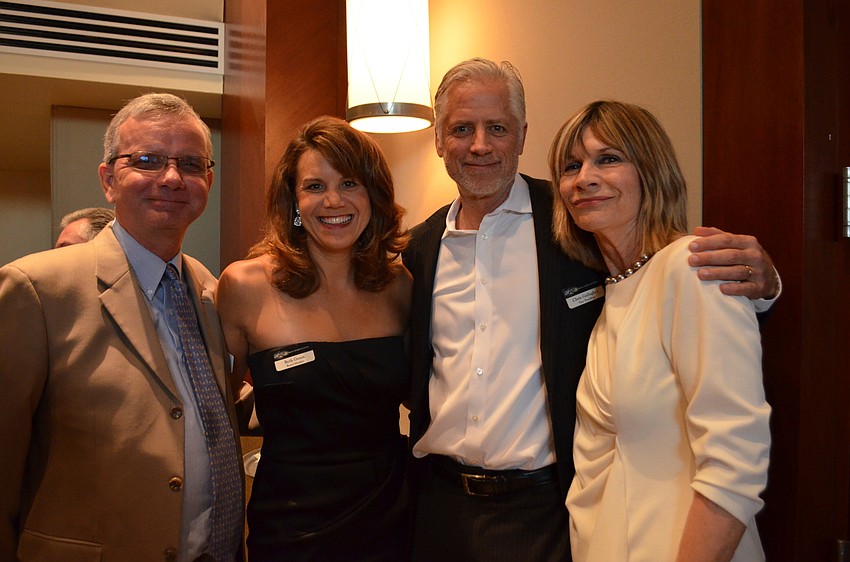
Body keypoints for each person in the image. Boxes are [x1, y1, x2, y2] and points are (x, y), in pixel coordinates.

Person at [402, 58, 779, 562]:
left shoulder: (568, 223)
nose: (480, 145)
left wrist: (764, 285)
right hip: (442, 507)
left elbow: (692, 301)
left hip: (545, 511)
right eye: (462, 129)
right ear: (439, 140)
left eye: (497, 128)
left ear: (521, 135)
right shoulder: (419, 249)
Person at [0, 93, 244, 562]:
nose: (172, 178)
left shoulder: (214, 292)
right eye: (148, 160)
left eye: (190, 164)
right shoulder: (36, 289)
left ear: (207, 181)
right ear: (108, 179)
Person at [550, 100, 770, 560]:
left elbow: (734, 463)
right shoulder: (613, 291)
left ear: (651, 170)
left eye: (608, 158)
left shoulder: (691, 269)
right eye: (572, 165)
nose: (584, 177)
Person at [215, 116, 412, 561]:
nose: (334, 201)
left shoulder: (399, 287)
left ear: (373, 196)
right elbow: (218, 412)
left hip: (390, 517)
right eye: (315, 186)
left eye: (350, 183)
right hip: (290, 525)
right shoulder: (245, 287)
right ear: (294, 202)